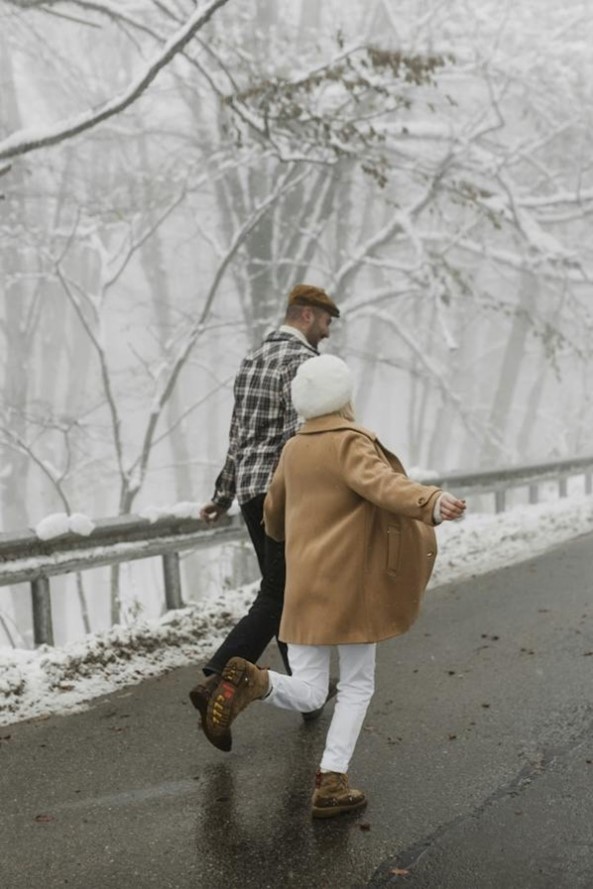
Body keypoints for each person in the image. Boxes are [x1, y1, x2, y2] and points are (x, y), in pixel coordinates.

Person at [203, 354, 466, 818]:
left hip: (304, 587)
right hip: (350, 589)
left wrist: (297, 544)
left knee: (308, 687)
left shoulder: (293, 448)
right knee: (357, 684)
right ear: (343, 397)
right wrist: (431, 500)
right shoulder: (350, 442)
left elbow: (272, 517)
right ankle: (331, 781)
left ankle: (256, 681)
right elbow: (384, 485)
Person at [189, 284, 341, 734]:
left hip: (252, 494)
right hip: (287, 493)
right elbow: (306, 437)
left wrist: (222, 495)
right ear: (309, 316)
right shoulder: (304, 364)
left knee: (285, 590)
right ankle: (218, 678)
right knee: (281, 593)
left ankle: (305, 696)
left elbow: (237, 435)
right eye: (327, 322)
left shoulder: (252, 359)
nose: (328, 334)